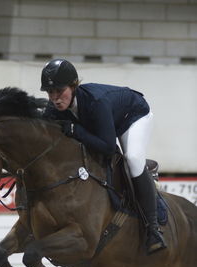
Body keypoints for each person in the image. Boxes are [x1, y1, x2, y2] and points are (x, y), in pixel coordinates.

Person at [40, 58, 167, 255]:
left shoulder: (95, 102)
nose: (55, 98)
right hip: (106, 122)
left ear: (74, 86)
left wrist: (76, 130)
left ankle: (153, 229)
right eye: (50, 92)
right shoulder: (54, 109)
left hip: (133, 116)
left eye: (60, 91)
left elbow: (108, 148)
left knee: (132, 158)